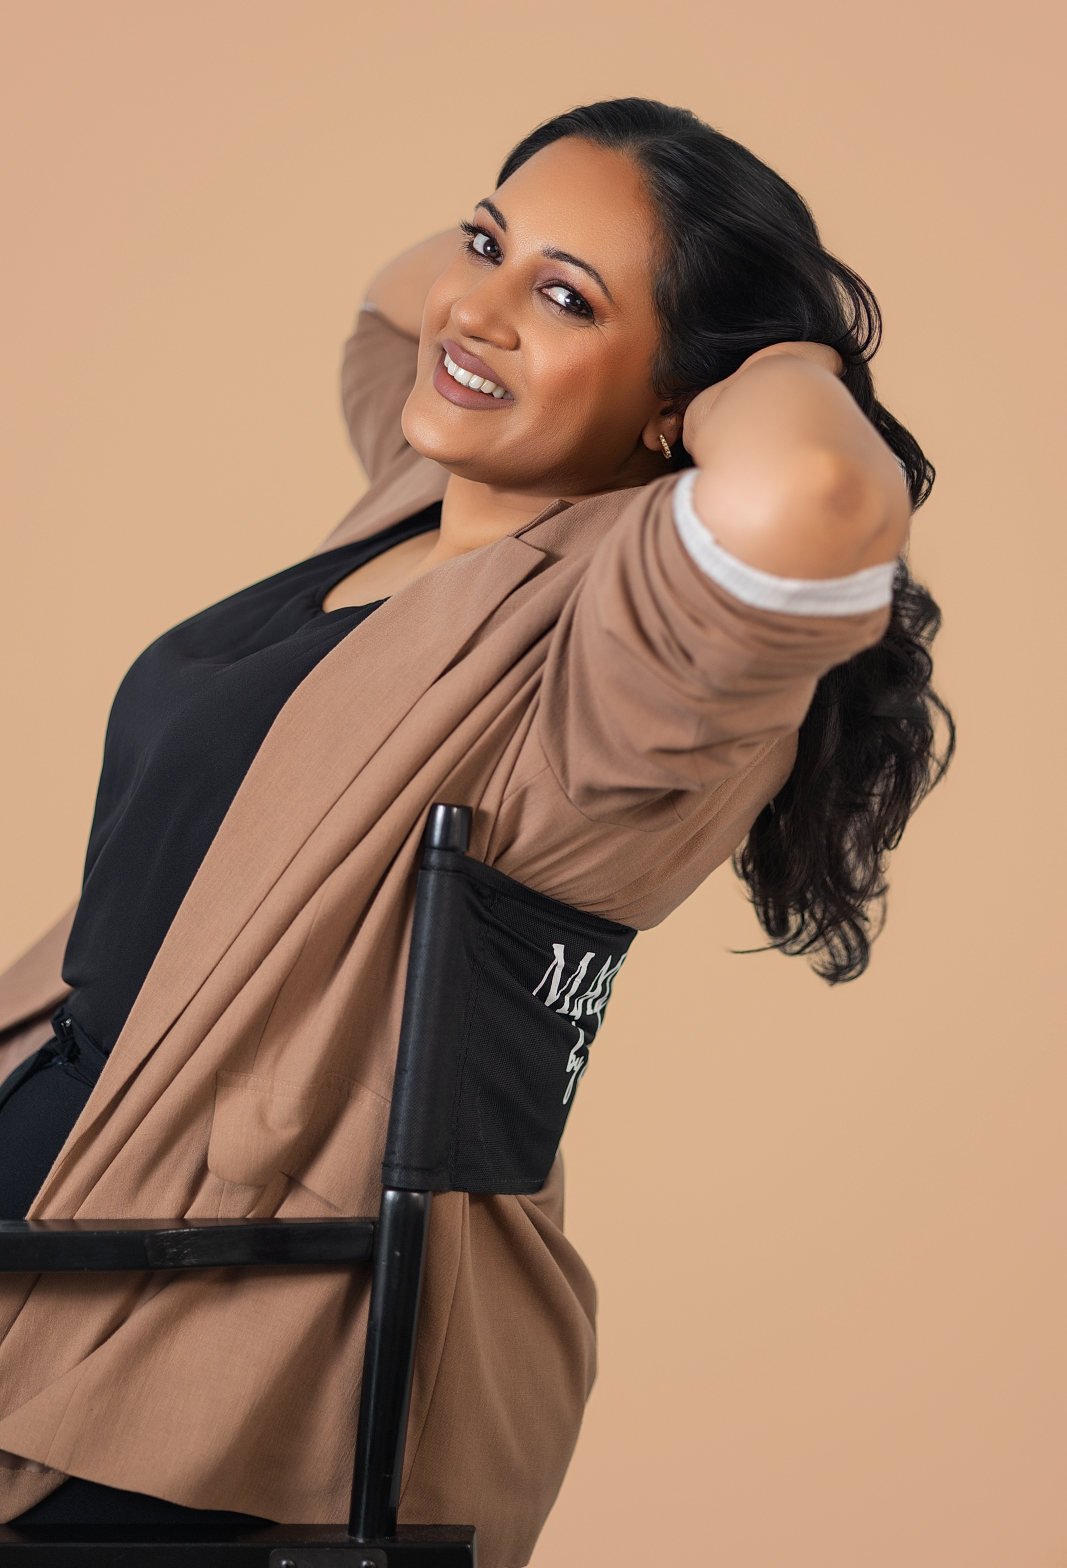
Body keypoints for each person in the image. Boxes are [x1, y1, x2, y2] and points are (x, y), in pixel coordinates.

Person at [0, 98, 954, 1565]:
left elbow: (816, 490)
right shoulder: (412, 505)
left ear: (676, 409)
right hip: (58, 1200)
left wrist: (784, 341)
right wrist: (543, 268)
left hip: (193, 1312)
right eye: (489, 243)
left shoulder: (628, 656)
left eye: (566, 300)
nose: (480, 309)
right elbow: (406, 301)